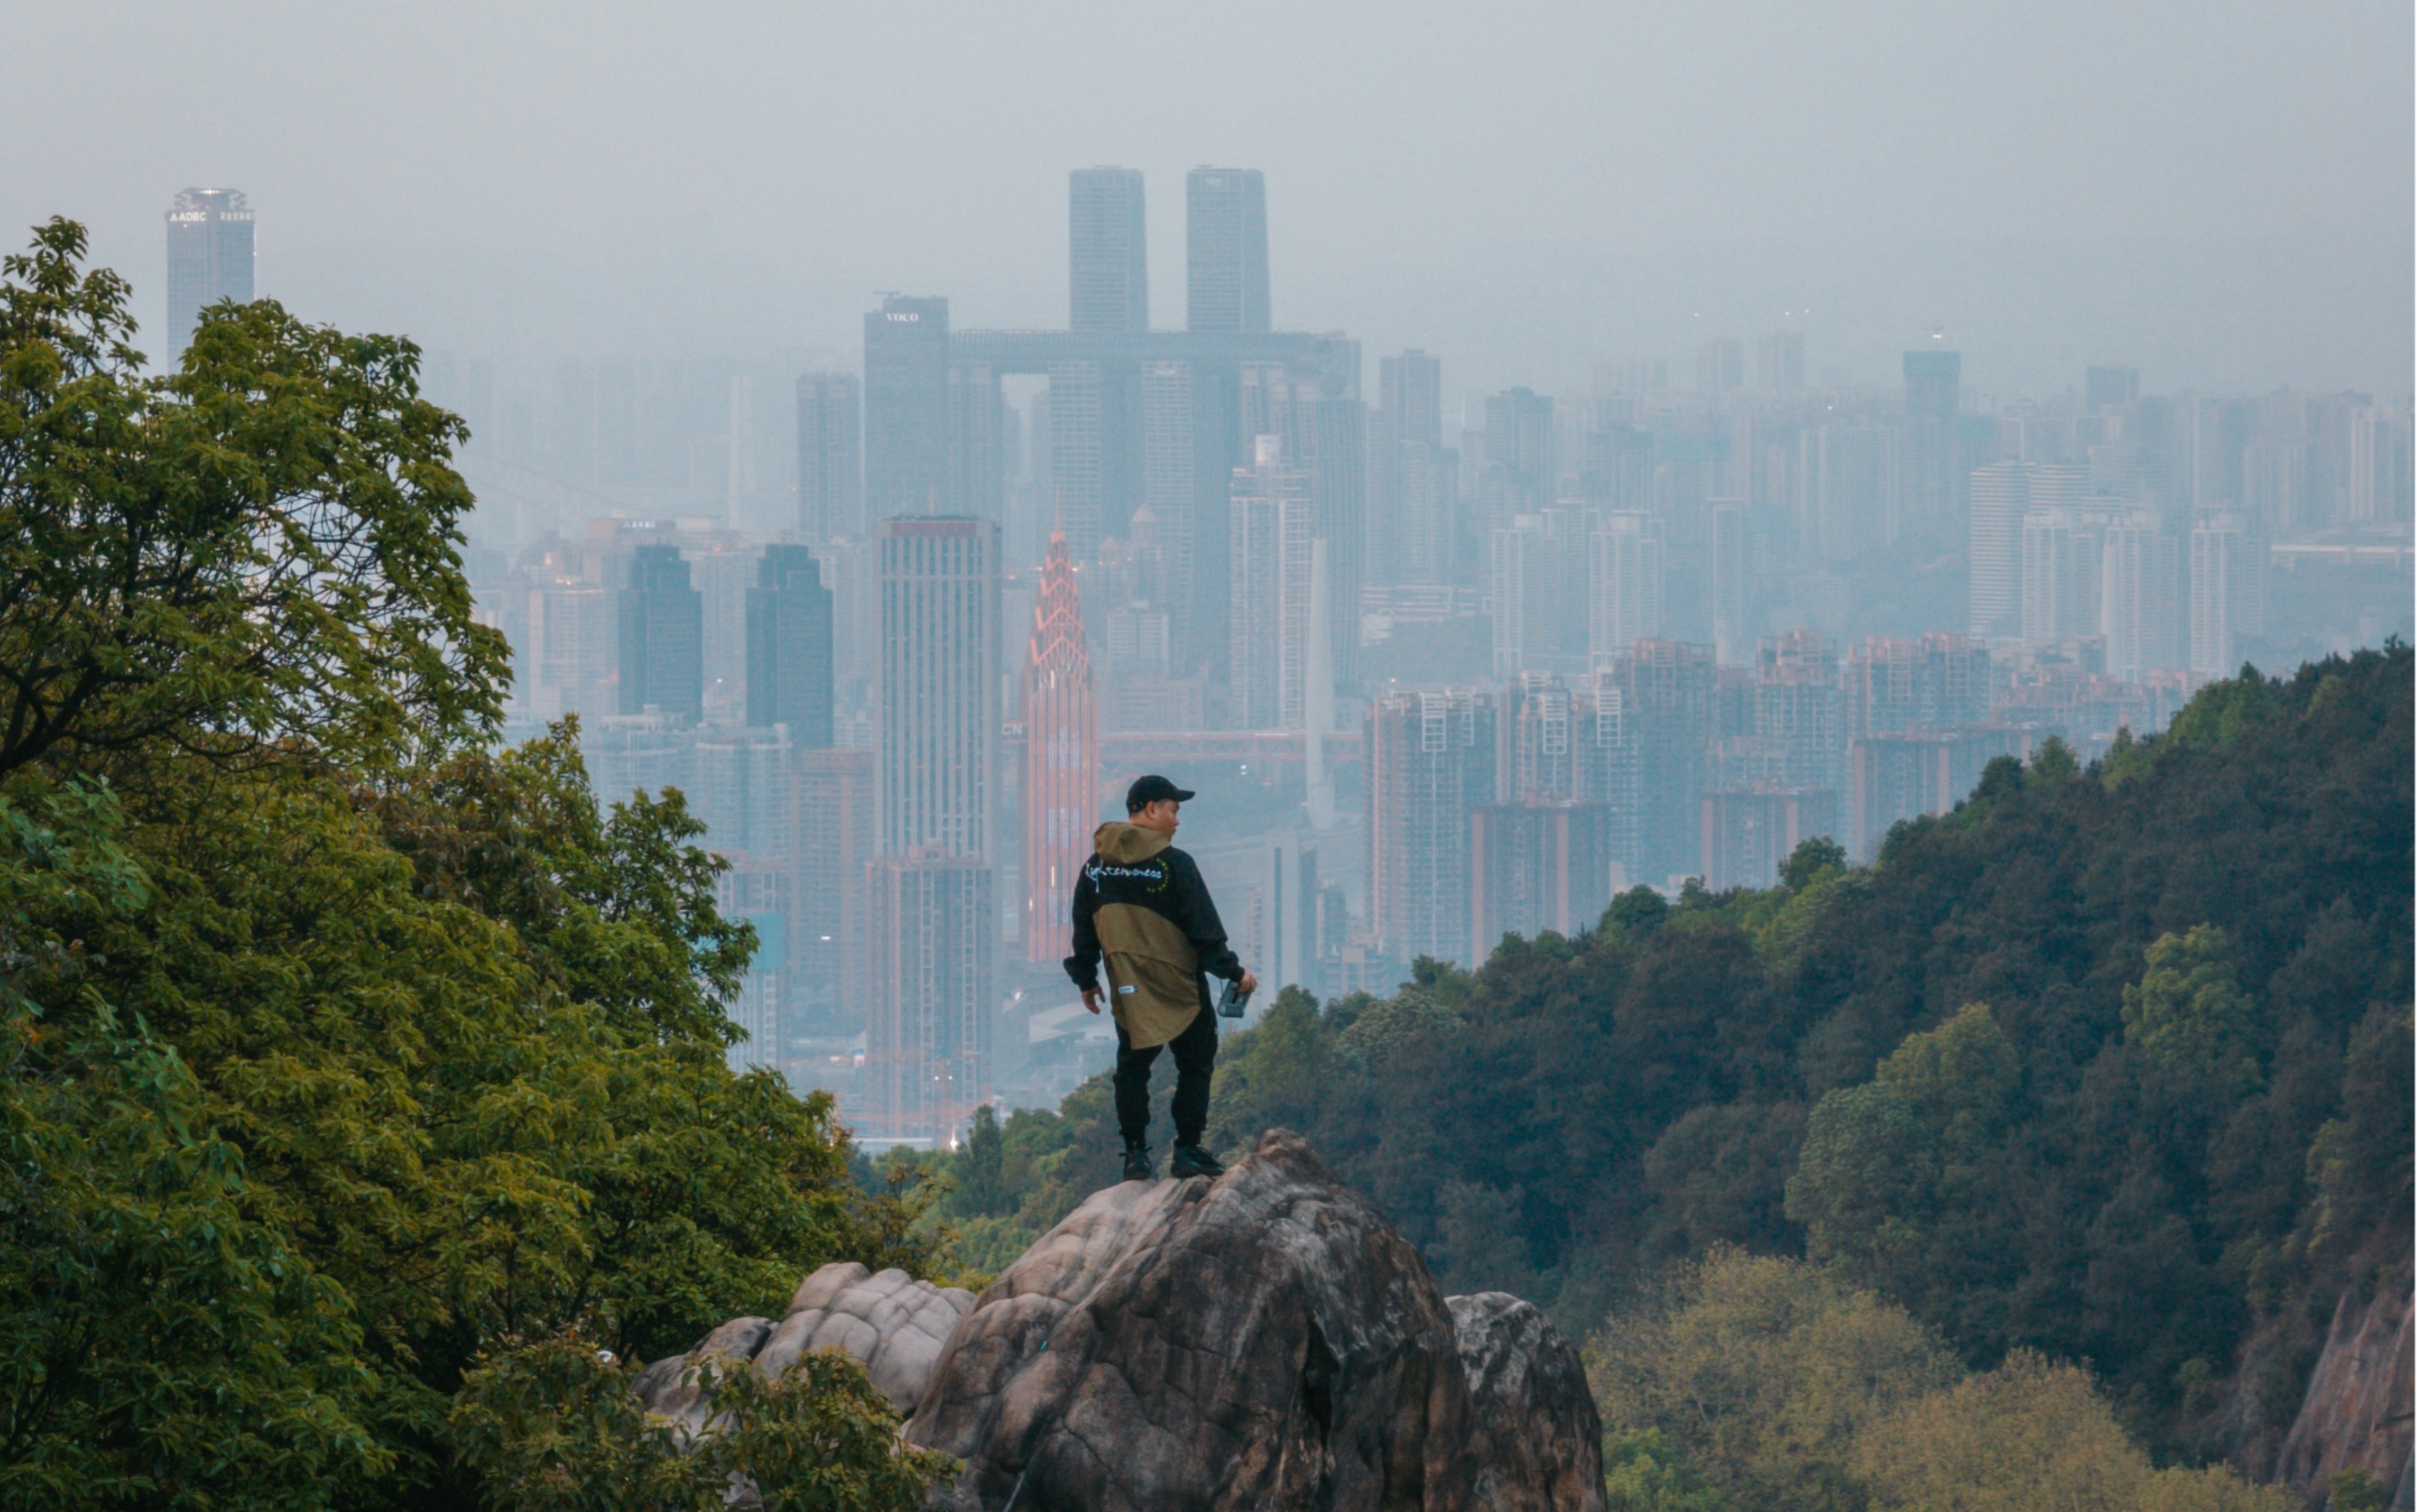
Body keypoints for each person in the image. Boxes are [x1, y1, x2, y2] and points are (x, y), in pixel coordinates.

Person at [1065, 774, 1257, 1183]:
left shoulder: (1095, 868)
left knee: (1132, 1070)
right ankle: (1187, 1150)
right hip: (1181, 987)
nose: (1177, 821)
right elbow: (1204, 932)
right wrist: (1235, 972)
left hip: (1130, 990)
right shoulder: (1175, 865)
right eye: (1173, 810)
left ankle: (1135, 1155)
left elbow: (1084, 927)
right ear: (1151, 809)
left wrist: (1087, 978)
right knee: (1196, 1064)